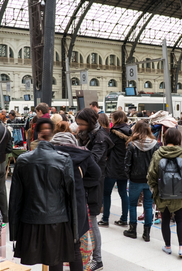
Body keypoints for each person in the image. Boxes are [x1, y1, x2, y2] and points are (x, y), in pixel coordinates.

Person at [8, 140, 77, 269]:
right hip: (57, 219)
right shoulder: (63, 159)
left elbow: (15, 198)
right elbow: (71, 197)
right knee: (55, 260)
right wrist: (74, 230)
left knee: (43, 258)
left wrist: (14, 232)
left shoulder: (23, 160)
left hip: (30, 219)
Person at [51, 132, 102, 271]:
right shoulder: (83, 155)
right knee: (75, 247)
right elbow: (97, 175)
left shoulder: (48, 155)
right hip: (76, 202)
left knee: (56, 250)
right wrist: (78, 181)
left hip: (53, 204)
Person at [147, 128, 182, 258]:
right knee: (180, 220)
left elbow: (151, 175)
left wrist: (154, 190)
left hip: (163, 194)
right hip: (180, 194)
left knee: (165, 220)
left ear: (165, 138)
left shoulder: (158, 153)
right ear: (178, 139)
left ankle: (167, 246)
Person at [76, 108, 113, 271]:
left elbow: (93, 159)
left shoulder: (101, 138)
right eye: (78, 124)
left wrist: (76, 153)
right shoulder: (86, 134)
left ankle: (97, 259)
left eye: (82, 124)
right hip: (84, 182)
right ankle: (83, 255)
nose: (79, 127)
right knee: (84, 221)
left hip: (94, 183)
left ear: (90, 123)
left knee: (92, 221)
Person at [123, 120, 159, 241]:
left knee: (132, 204)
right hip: (150, 180)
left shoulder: (132, 144)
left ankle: (132, 230)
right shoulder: (155, 144)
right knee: (148, 206)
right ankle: (147, 233)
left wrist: (128, 176)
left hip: (135, 179)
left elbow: (127, 163)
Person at [101, 111, 132, 227]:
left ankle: (105, 219)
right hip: (124, 167)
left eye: (112, 118)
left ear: (117, 119)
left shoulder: (114, 132)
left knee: (106, 193)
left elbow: (107, 148)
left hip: (112, 166)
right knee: (123, 193)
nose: (111, 120)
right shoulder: (130, 131)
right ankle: (124, 219)